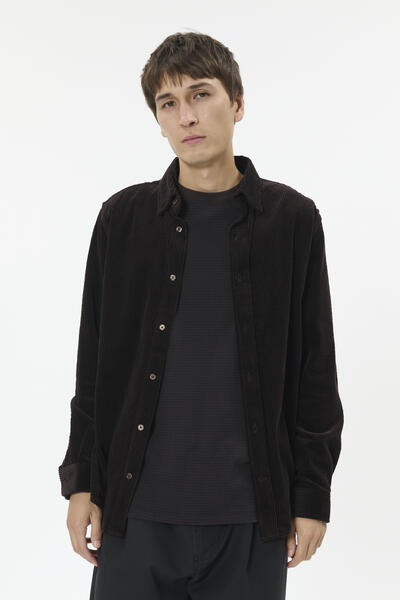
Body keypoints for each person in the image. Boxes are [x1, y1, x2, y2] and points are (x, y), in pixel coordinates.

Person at [58, 31, 344, 600]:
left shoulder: (291, 220)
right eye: (168, 103)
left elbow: (316, 370)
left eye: (200, 94)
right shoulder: (122, 220)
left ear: (237, 103)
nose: (186, 116)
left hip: (250, 519)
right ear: (159, 121)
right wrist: (82, 482)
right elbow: (95, 366)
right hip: (135, 514)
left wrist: (312, 496)